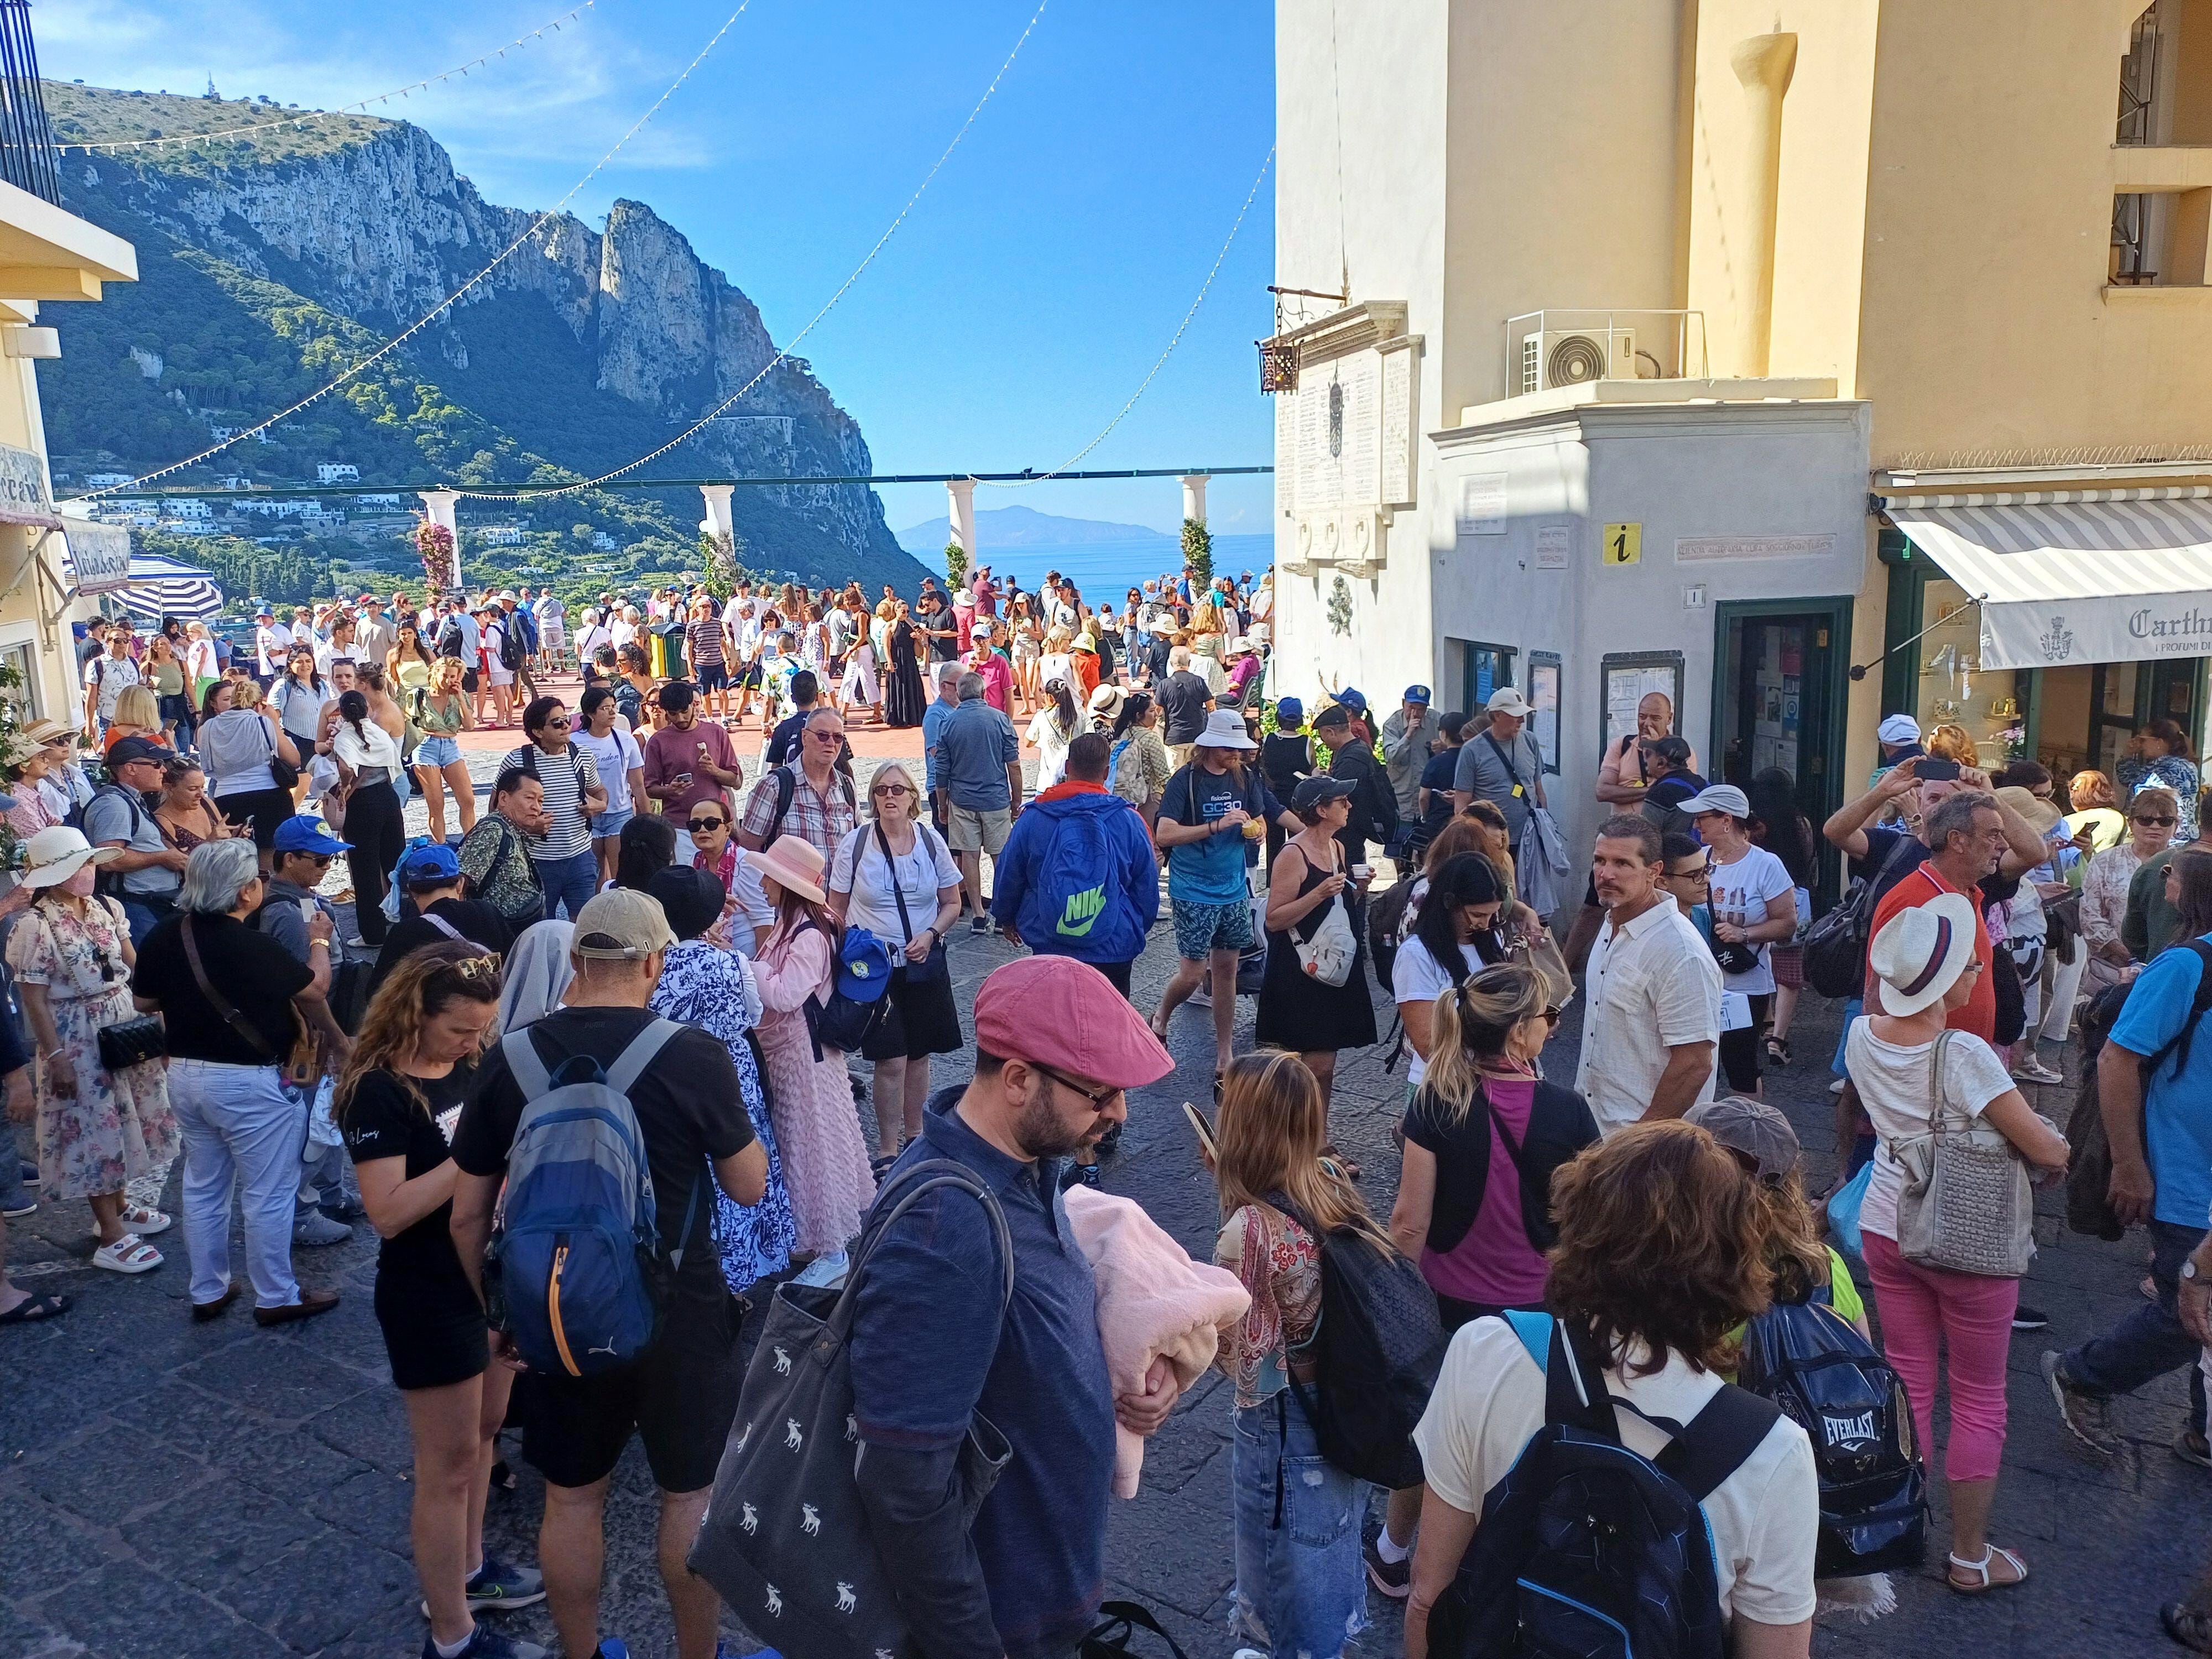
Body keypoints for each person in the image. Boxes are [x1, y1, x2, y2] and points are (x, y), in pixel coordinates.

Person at [448, 890, 768, 1659]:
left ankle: (584, 1653)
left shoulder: (512, 1056)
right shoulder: (692, 1053)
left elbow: (467, 1214)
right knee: (688, 1494)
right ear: (653, 962)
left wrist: (497, 1314)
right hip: (680, 1308)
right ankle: (698, 1653)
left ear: (574, 961)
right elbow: (748, 1185)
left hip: (559, 1309)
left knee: (572, 1496)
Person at [848, 954, 1180, 1659]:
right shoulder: (943, 1233)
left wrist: (1123, 1381)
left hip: (1045, 1589)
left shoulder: (1025, 1165)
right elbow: (902, 1482)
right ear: (1020, 1080)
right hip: (1001, 1622)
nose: (1118, 1112)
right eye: (1100, 1094)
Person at [1404, 1120, 1820, 1659]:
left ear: (1582, 1220)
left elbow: (1428, 1595)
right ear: (1738, 1260)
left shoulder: (1486, 1350)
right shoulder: (1773, 1452)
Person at [1849, 899, 2068, 1592]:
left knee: (1908, 1378)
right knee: (1978, 1398)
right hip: (1964, 1237)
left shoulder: (1862, 1034)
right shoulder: (1964, 1052)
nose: (1982, 966)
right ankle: (1970, 1557)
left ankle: (1902, 1525)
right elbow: (2038, 1142)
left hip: (1886, 1225)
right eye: (1973, 961)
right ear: (1947, 983)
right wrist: (2059, 1147)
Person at [336, 945, 548, 1659]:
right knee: (447, 1464)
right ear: (415, 1013)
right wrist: (472, 1159)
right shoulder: (379, 1091)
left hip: (481, 1277)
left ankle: (470, 1570)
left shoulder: (464, 1065)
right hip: (427, 1292)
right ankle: (451, 1634)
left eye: (481, 1029)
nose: (473, 1043)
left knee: (485, 1437)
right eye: (460, 1030)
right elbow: (388, 1211)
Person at [1212, 1047, 1385, 1655]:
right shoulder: (1331, 1182)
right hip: (1346, 1395)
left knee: (1276, 1541)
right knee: (1330, 1537)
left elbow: (1245, 1365)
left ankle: (1287, 1644)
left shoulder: (1249, 1229)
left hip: (1285, 1419)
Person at [132, 839, 343, 1324]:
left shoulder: (167, 934)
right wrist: (319, 941)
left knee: (204, 1185)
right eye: (258, 880)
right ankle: (276, 1295)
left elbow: (144, 1003)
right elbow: (314, 988)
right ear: (245, 891)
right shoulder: (250, 943)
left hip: (186, 1075)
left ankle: (207, 1288)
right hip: (248, 1081)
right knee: (268, 1191)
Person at [2048, 847, 2212, 1462]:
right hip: (2186, 1175)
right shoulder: (2188, 966)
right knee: (2185, 1311)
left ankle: (2202, 1431)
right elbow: (2120, 1059)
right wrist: (2129, 1164)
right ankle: (2084, 1375)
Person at [1389, 959, 1598, 1330]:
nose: (1555, 1023)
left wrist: (1398, 1304)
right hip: (1541, 1304)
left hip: (1450, 1300)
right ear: (1519, 1032)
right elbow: (1592, 1214)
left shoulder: (1435, 1100)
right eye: (1547, 1014)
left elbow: (1409, 1224)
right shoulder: (1571, 1109)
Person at [6, 827, 177, 1276]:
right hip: (75, 1034)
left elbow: (135, 967)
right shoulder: (35, 926)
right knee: (92, 1126)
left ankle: (120, 1207)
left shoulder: (105, 907)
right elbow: (35, 998)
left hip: (120, 1021)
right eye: (76, 866)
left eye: (88, 863)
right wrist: (56, 1055)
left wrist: (160, 1016)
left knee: (126, 1117)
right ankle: (109, 1231)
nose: (87, 873)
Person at [644, 864, 795, 1295]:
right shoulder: (732, 961)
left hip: (668, 1071)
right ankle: (749, 1258)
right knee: (738, 1152)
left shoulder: (651, 964)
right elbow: (752, 1015)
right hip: (730, 1073)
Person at [827, 760, 964, 1167]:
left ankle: (916, 1136)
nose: (889, 796)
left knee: (919, 1055)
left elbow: (952, 902)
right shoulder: (856, 845)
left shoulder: (931, 841)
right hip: (876, 970)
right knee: (890, 1059)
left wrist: (932, 934)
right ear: (873, 799)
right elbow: (835, 911)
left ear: (912, 800)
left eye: (897, 790)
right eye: (882, 790)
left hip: (922, 966)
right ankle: (888, 1148)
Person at [743, 834, 875, 1259]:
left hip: (803, 1055)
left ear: (787, 884)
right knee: (809, 1143)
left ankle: (826, 1245)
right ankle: (815, 1236)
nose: (763, 884)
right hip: (798, 1052)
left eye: (770, 877)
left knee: (809, 1146)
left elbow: (784, 996)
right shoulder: (803, 924)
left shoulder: (808, 935)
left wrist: (748, 966)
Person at [1575, 813, 1722, 1134]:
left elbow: (1695, 1063)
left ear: (1654, 872)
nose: (1606, 874)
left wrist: (1639, 1144)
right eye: (1599, 860)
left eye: (1622, 863)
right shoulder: (1613, 919)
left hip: (1644, 1145)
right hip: (1594, 1125)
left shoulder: (1681, 952)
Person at [993, 731, 1160, 998]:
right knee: (1110, 1026)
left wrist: (1007, 918)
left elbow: (1009, 876)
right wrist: (1133, 924)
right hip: (1114, 945)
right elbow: (1147, 887)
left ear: (1068, 767)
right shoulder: (1130, 820)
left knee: (1055, 1027)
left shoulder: (1033, 818)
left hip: (1050, 939)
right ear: (1106, 773)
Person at [1255, 775, 1377, 1105]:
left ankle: (1317, 1138)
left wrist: (1359, 889)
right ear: (1322, 810)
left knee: (1325, 1066)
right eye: (1341, 802)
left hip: (1330, 963)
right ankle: (1298, 1138)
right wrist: (1320, 892)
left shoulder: (1337, 848)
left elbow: (1335, 911)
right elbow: (1274, 918)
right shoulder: (1293, 854)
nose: (1349, 806)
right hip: (1299, 969)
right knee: (1309, 1067)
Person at [1683, 783, 1798, 1098]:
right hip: (1699, 979)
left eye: (1701, 818)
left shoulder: (1765, 865)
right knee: (1692, 1061)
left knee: (1740, 1067)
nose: (1695, 825)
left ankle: (1745, 1134)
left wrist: (1744, 934)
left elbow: (1788, 924)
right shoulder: (1698, 860)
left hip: (1743, 985)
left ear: (1726, 820)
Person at [1392, 852, 1518, 1097]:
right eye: (1478, 915)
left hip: (1490, 1080)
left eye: (1492, 915)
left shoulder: (1487, 939)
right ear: (1450, 904)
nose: (1485, 924)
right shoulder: (1416, 954)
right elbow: (1427, 1044)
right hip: (1440, 1085)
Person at [933, 670, 1026, 932]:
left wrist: (942, 804)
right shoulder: (1000, 720)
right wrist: (1016, 800)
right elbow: (1014, 766)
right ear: (984, 692)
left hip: (962, 800)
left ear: (961, 694)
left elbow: (942, 771)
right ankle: (1002, 912)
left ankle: (977, 914)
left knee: (969, 856)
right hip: (996, 799)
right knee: (1001, 858)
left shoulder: (949, 723)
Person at [500, 697, 607, 923]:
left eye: (567, 720)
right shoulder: (518, 760)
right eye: (557, 723)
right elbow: (496, 809)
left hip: (581, 857)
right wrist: (529, 826)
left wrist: (600, 805)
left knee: (584, 926)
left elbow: (599, 792)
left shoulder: (583, 756)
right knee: (538, 925)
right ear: (538, 731)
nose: (567, 726)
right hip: (536, 861)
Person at [368, 842, 514, 998]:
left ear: (412, 891)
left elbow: (375, 992)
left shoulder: (405, 932)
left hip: (437, 1019)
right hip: (491, 1010)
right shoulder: (487, 911)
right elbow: (513, 961)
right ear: (460, 884)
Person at [327, 688, 405, 945]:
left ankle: (372, 934)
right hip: (388, 797)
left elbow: (346, 768)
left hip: (362, 804)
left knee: (365, 871)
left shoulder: (345, 737)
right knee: (395, 864)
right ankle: (403, 920)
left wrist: (345, 785)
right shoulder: (379, 732)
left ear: (343, 713)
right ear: (366, 709)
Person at [200, 684, 304, 869]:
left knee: (237, 859)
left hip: (227, 797)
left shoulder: (206, 728)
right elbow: (295, 760)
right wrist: (273, 722)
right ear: (258, 704)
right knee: (270, 859)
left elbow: (208, 767)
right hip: (269, 795)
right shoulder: (263, 722)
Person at [2084, 785, 2176, 990]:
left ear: (2175, 827)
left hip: (2169, 967)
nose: (2155, 826)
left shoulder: (2185, 865)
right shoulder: (2104, 861)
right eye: (2146, 819)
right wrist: (2122, 950)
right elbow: (2090, 915)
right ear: (2131, 824)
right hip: (2113, 969)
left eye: (2165, 821)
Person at [641, 681, 742, 858]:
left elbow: (736, 780)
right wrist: (669, 790)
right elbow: (650, 788)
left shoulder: (717, 733)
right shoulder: (658, 742)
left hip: (714, 825)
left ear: (694, 705)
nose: (680, 719)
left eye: (684, 712)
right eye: (673, 714)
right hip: (679, 827)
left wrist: (714, 770)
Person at [1450, 685, 1546, 861]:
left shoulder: (1530, 740)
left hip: (1528, 837)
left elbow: (1539, 790)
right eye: (1516, 715)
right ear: (1497, 715)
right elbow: (1461, 806)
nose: (1522, 721)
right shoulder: (1472, 750)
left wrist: (1543, 827)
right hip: (1491, 841)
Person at [458, 770, 551, 934]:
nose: (536, 807)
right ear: (503, 799)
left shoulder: (512, 829)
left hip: (514, 931)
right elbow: (459, 884)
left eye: (540, 801)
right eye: (529, 798)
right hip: (497, 936)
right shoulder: (493, 830)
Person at [574, 686, 646, 888]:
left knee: (620, 876)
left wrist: (646, 820)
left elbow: (638, 785)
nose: (613, 712)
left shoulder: (626, 740)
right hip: (587, 816)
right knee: (593, 875)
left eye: (613, 707)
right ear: (590, 713)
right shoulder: (574, 742)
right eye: (605, 708)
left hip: (620, 813)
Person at [411, 656, 475, 846]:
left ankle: (470, 844)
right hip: (427, 746)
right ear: (435, 674)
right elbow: (408, 723)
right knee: (436, 804)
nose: (448, 680)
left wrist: (460, 699)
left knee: (468, 799)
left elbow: (469, 726)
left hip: (450, 747)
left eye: (453, 676)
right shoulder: (420, 695)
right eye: (444, 675)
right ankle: (440, 846)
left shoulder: (460, 697)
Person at [1380, 685, 1442, 856]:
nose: (1416, 713)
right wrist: (1408, 735)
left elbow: (1455, 745)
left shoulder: (1436, 720)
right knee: (1399, 849)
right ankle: (1402, 877)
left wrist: (1444, 747)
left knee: (1428, 846)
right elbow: (1391, 757)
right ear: (1403, 704)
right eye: (1412, 707)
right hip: (1402, 794)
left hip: (1427, 795)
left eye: (1421, 709)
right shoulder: (1392, 725)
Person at [2120, 718, 2202, 842]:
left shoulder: (2173, 768)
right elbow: (2127, 779)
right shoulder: (2162, 766)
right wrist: (2127, 754)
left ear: (2159, 742)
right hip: (2165, 836)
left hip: (2168, 838)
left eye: (2143, 740)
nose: (2140, 745)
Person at [1156, 644, 1213, 771]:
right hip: (1196, 735)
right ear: (1189, 662)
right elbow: (1211, 707)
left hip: (1174, 736)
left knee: (1175, 775)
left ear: (1171, 663)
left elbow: (1157, 710)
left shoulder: (1164, 684)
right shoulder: (1198, 681)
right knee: (1195, 773)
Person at [885, 601, 928, 728]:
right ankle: (898, 718)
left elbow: (919, 650)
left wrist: (918, 638)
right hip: (897, 659)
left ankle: (914, 717)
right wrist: (889, 661)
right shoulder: (891, 625)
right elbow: (886, 645)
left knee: (912, 686)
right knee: (898, 687)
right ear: (896, 611)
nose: (906, 614)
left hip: (910, 660)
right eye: (903, 611)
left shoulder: (911, 623)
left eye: (908, 611)